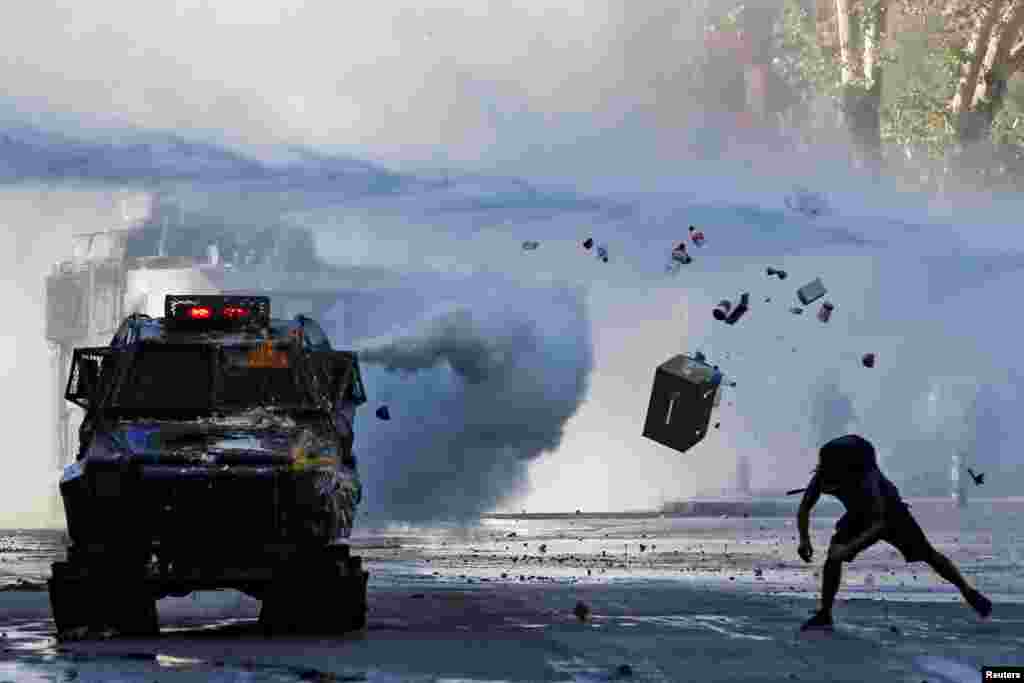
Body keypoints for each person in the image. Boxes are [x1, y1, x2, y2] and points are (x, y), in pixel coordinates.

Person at [797, 434, 992, 631]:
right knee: (833, 558)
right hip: (858, 515)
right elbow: (805, 507)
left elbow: (880, 523)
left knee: (927, 554)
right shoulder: (823, 475)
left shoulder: (868, 478)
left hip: (892, 515)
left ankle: (967, 591)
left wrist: (851, 547)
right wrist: (804, 540)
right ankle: (825, 613)